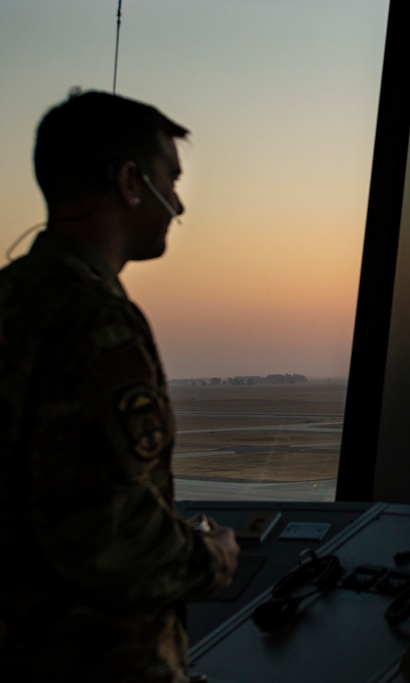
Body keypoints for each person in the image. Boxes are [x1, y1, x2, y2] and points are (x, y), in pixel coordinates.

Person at [0, 90, 240, 682]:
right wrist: (211, 560)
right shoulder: (93, 318)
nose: (178, 203)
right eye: (171, 179)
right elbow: (105, 527)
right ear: (131, 182)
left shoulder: (13, 298)